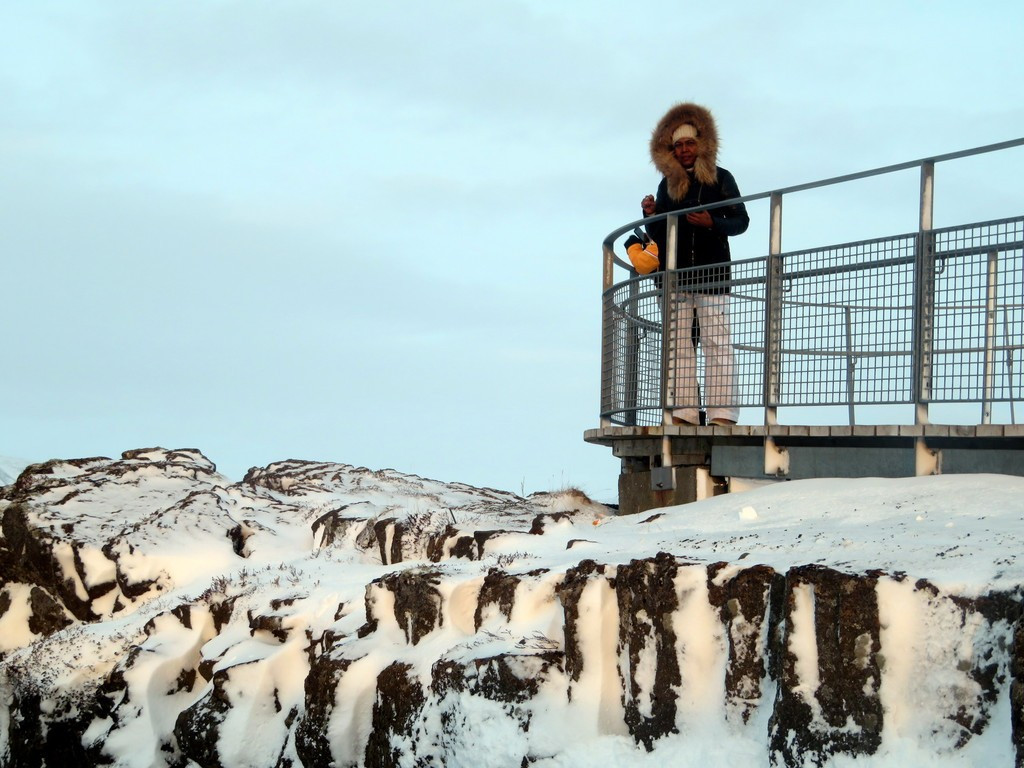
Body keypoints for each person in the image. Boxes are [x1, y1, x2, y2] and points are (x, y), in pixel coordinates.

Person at [640, 102, 749, 426]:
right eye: (678, 145)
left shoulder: (720, 178)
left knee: (717, 341)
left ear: (701, 144)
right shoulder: (667, 185)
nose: (685, 150)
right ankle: (685, 413)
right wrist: (650, 215)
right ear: (670, 150)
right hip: (674, 277)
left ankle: (723, 415)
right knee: (678, 346)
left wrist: (711, 221)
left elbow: (741, 221)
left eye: (689, 143)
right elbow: (659, 233)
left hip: (712, 272)